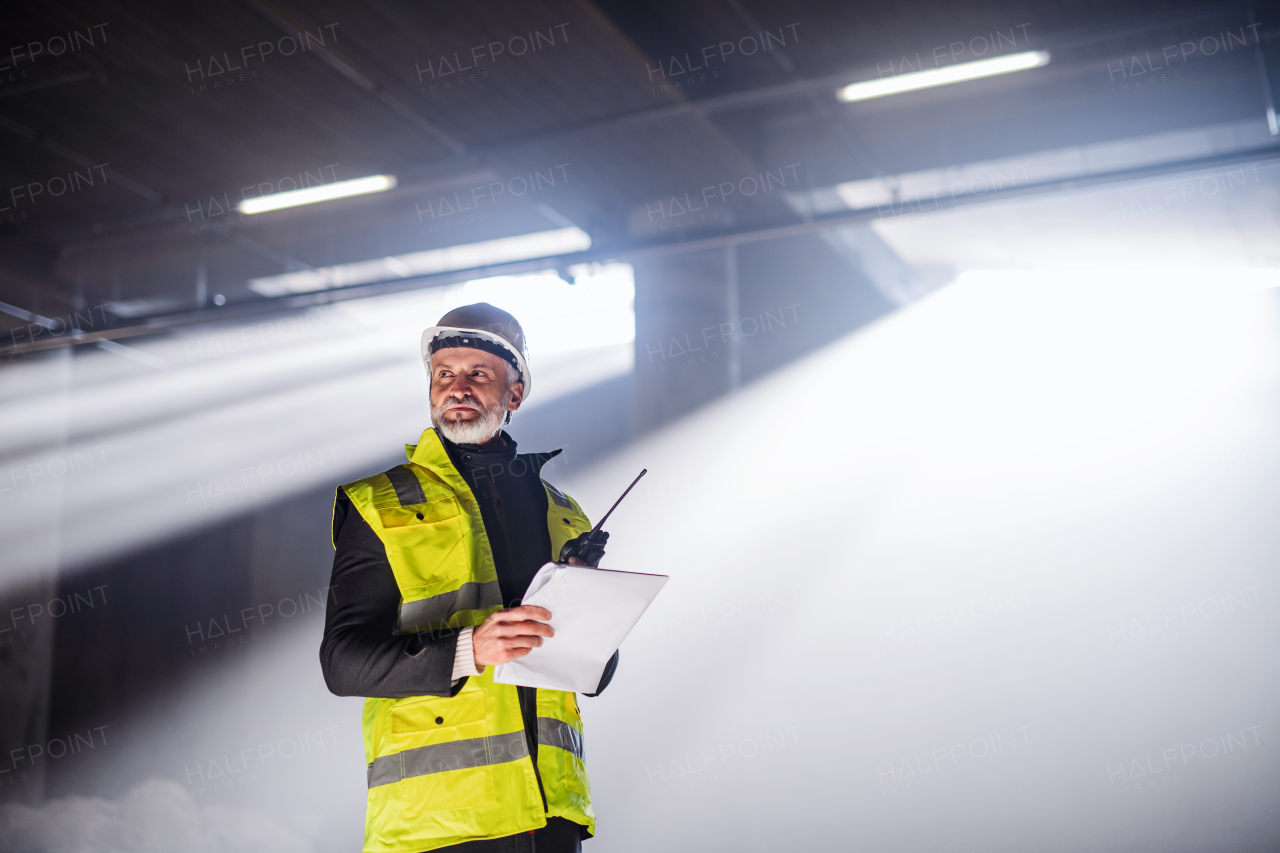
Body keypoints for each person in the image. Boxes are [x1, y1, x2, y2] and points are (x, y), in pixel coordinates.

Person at [320, 303, 618, 853]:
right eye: (443, 374)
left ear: (515, 393)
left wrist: (584, 600)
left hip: (552, 815)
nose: (457, 388)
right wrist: (471, 648)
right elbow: (342, 663)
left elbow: (594, 675)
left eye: (478, 374)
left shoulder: (562, 512)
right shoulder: (380, 503)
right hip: (440, 821)